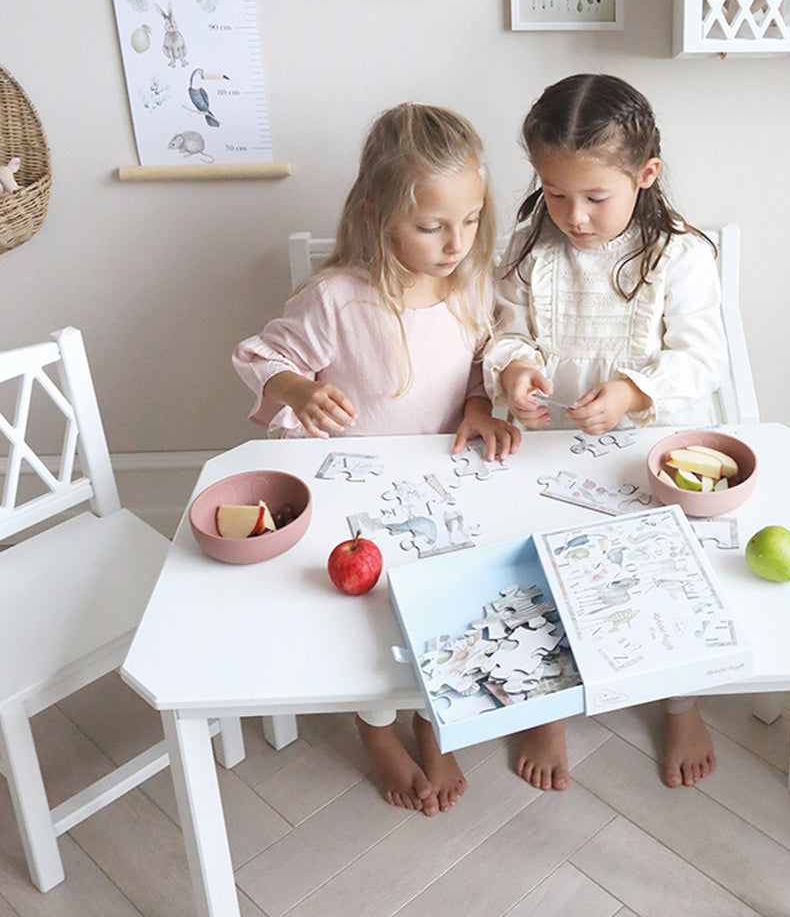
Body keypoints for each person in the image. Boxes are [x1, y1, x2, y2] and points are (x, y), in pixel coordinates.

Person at [233, 102, 520, 816]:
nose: (457, 242)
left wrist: (482, 405)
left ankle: (433, 716)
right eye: (432, 226)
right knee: (371, 612)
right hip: (357, 493)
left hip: (441, 486)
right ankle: (377, 726)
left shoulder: (473, 287)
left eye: (472, 219)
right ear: (376, 214)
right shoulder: (336, 298)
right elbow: (258, 356)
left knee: (456, 598)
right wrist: (300, 386)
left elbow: (482, 363)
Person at [483, 73, 728, 792]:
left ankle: (678, 701)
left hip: (643, 447)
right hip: (548, 443)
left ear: (645, 176)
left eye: (595, 197)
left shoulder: (680, 255)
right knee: (529, 566)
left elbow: (702, 357)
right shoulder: (531, 247)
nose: (574, 216)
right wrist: (516, 371)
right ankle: (547, 702)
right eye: (555, 192)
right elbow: (504, 330)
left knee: (663, 570)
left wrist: (631, 391)